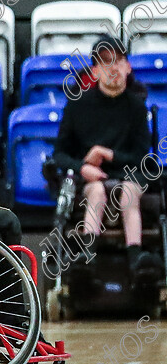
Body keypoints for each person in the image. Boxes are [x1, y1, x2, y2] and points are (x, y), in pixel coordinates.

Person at [53, 35, 154, 271]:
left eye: (118, 61)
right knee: (97, 191)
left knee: (128, 191)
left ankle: (136, 259)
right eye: (106, 62)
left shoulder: (137, 107)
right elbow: (59, 154)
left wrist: (109, 154)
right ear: (96, 70)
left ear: (128, 67)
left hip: (128, 174)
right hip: (90, 178)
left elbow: (142, 156)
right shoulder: (77, 106)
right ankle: (89, 258)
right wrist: (82, 167)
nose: (113, 68)